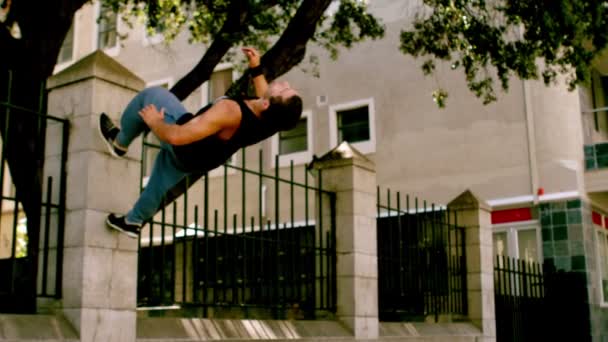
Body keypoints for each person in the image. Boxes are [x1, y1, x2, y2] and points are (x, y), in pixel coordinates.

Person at [98, 47, 303, 238]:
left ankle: (119, 142)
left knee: (152, 95)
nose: (285, 84)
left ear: (268, 103)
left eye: (284, 90)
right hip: (198, 160)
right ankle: (133, 221)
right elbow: (264, 94)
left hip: (186, 142)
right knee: (159, 183)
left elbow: (176, 136)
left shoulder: (231, 112)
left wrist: (155, 122)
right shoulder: (274, 119)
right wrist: (256, 68)